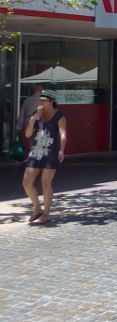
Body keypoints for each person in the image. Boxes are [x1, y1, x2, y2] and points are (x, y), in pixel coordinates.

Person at [21, 89, 67, 225]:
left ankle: (46, 213)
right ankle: (37, 209)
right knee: (26, 182)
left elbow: (63, 134)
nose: (40, 102)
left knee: (45, 183)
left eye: (43, 100)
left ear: (51, 101)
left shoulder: (59, 115)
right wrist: (32, 120)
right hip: (36, 151)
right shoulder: (37, 115)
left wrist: (62, 150)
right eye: (40, 99)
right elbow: (28, 134)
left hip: (51, 151)